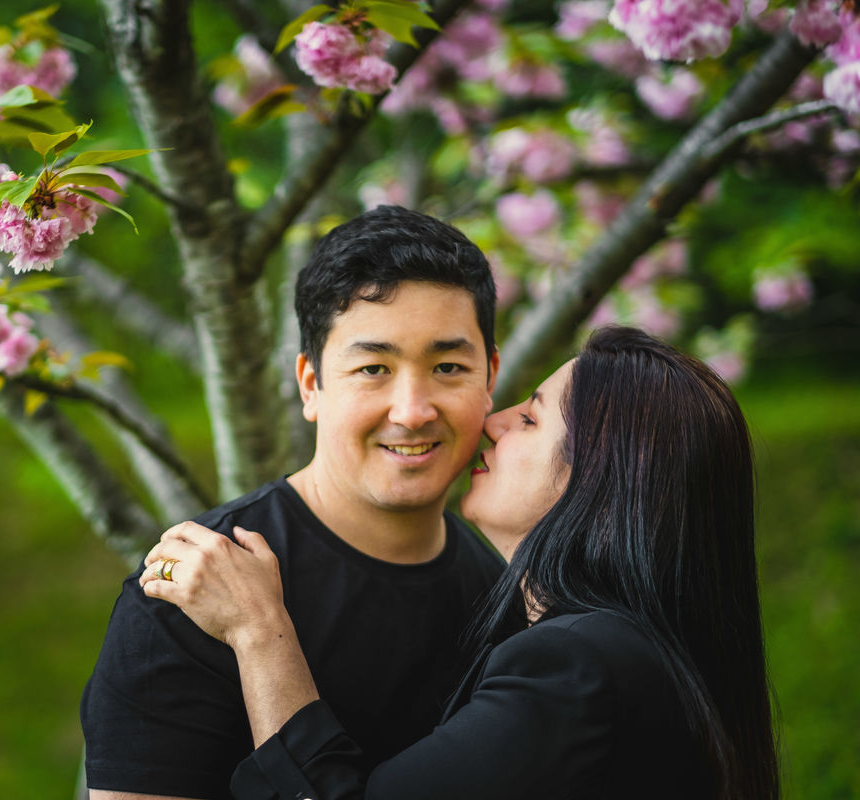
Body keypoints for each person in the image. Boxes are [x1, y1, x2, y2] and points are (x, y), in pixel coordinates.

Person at [141, 326, 780, 799]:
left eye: (530, 419)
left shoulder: (577, 665)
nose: (494, 423)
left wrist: (258, 630)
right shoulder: (628, 654)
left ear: (601, 478)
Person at [80, 206, 507, 799]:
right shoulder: (192, 591)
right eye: (373, 368)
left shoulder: (506, 602)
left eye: (448, 367)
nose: (412, 410)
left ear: (489, 377)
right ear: (311, 384)